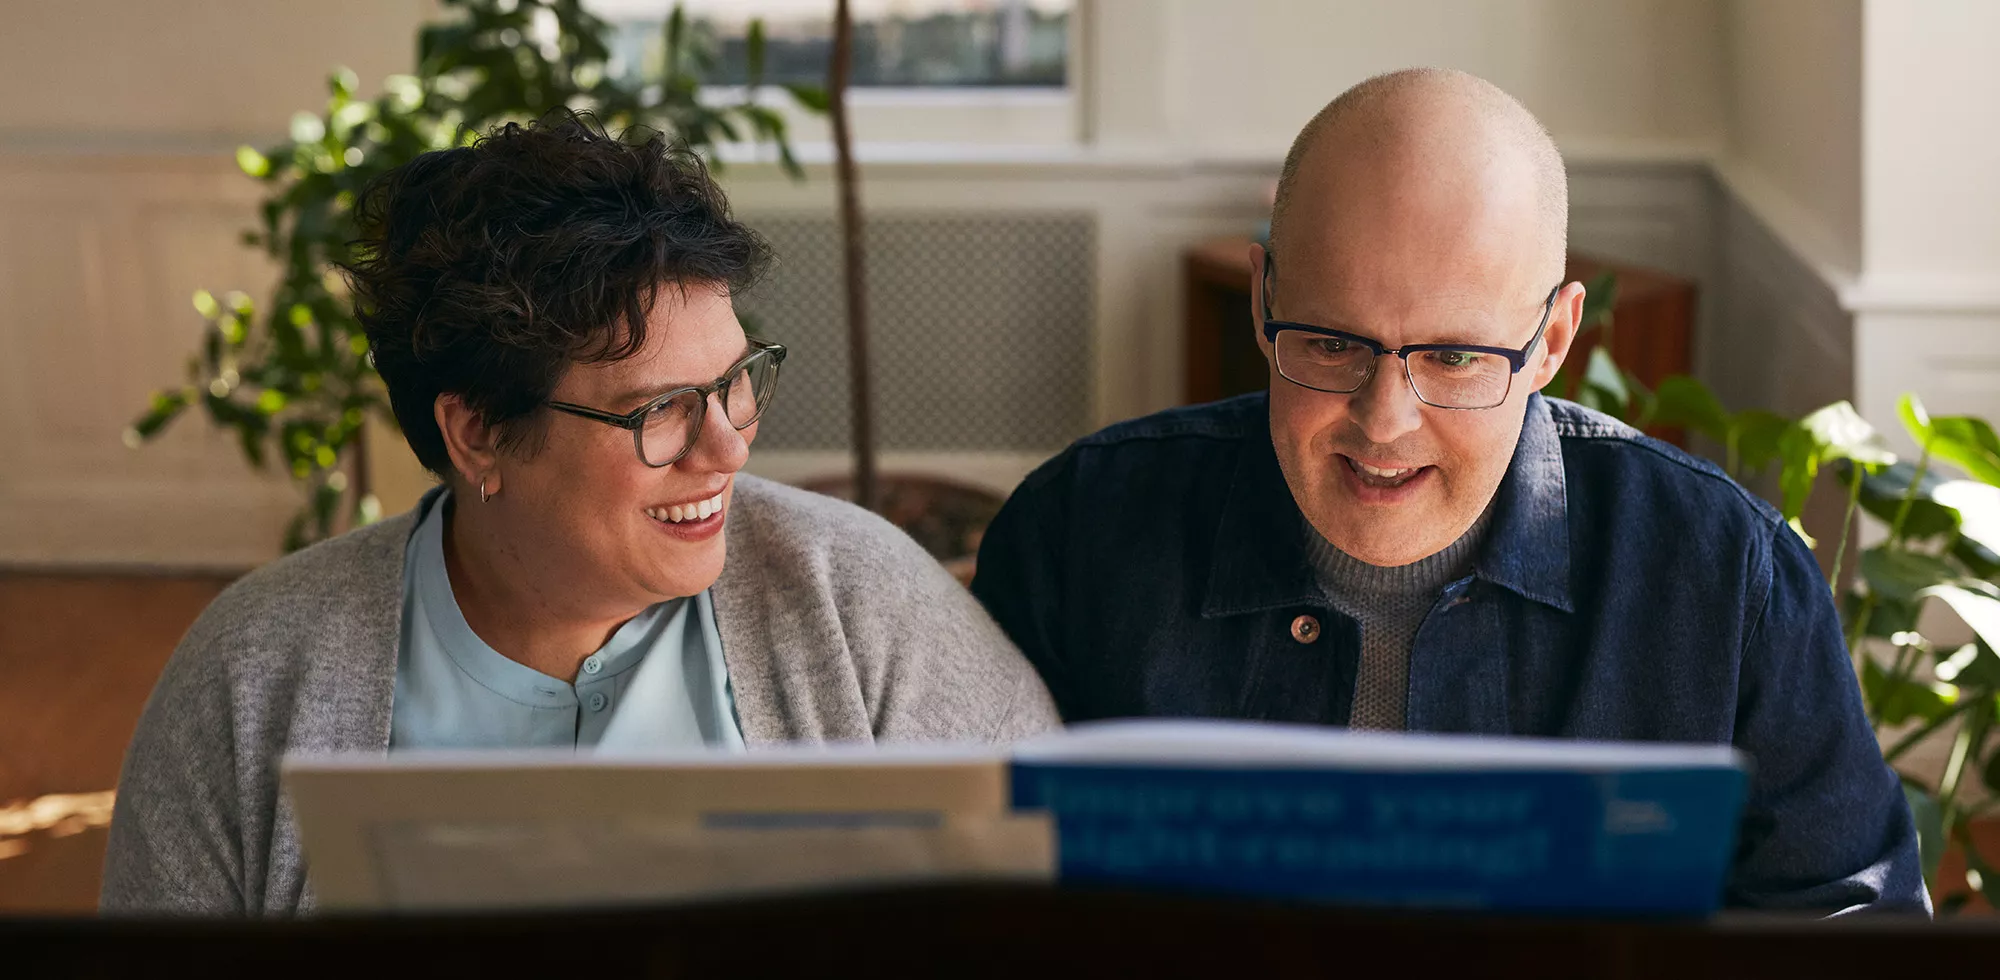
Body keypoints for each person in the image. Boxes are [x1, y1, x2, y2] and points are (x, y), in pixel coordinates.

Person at [971, 69, 1926, 914]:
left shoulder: (1728, 580)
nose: (1383, 421)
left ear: (1553, 340)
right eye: (1333, 343)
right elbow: (969, 900)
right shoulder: (1075, 535)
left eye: (1458, 356)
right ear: (1263, 304)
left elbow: (1848, 926)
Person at [102, 111, 1057, 915]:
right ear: (476, 432)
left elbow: (1069, 913)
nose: (729, 445)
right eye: (660, 408)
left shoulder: (862, 608)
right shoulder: (254, 677)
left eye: (735, 382)